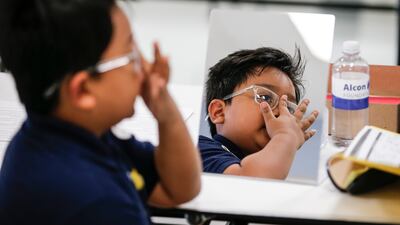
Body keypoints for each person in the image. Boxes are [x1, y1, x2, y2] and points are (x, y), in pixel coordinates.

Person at [0, 0, 201, 224]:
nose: (144, 70)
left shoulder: (71, 133)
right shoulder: (98, 203)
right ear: (83, 91)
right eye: (130, 57)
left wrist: (166, 113)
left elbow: (177, 189)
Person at [199, 47, 319, 179]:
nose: (280, 113)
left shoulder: (270, 168)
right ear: (219, 112)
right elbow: (250, 183)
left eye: (289, 109)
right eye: (265, 97)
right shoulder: (200, 148)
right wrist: (286, 135)